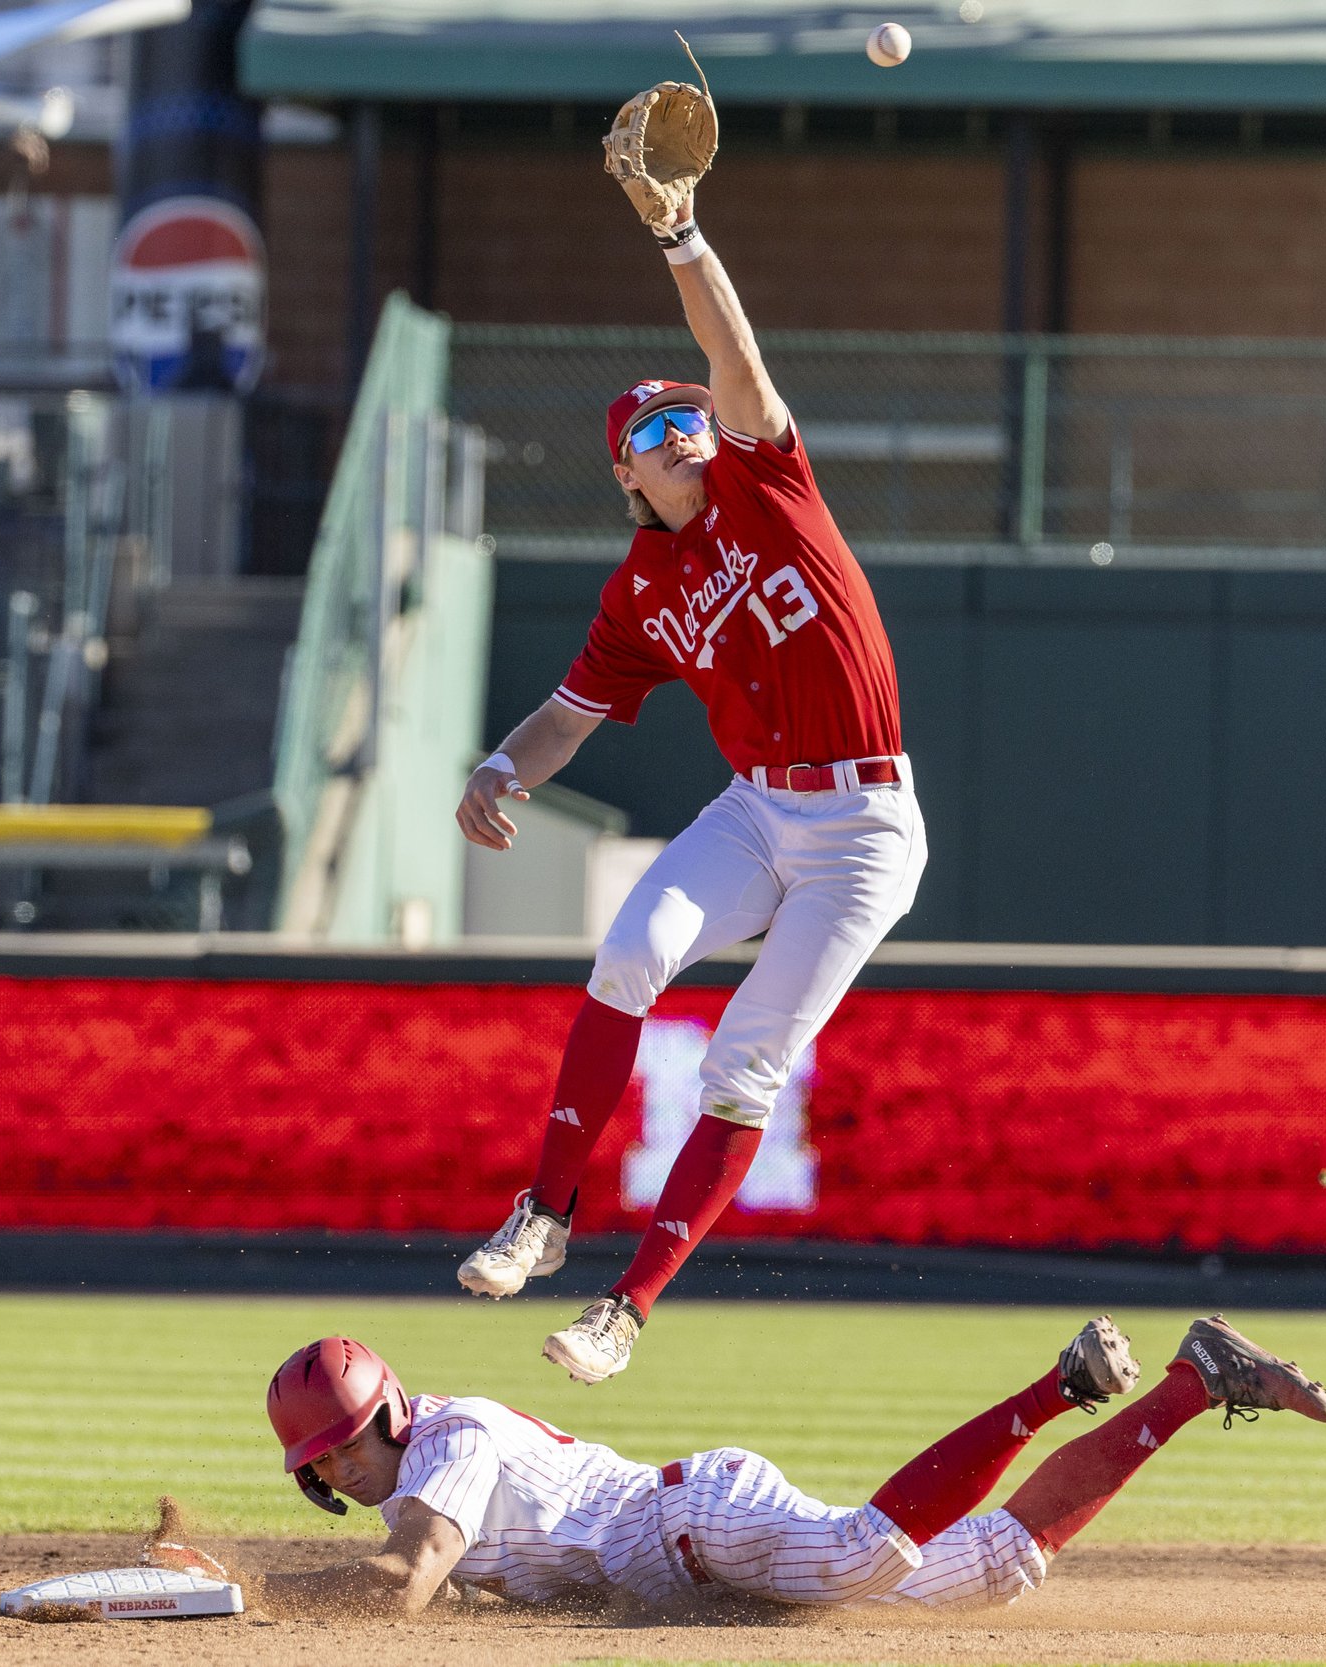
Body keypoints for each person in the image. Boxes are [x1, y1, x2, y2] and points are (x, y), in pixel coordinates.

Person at [453, 91, 922, 1385]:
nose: (686, 434)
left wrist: (680, 236)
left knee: (744, 1057)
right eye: (658, 433)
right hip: (761, 807)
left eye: (689, 419)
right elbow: (569, 715)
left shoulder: (767, 481)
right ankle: (544, 1211)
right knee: (628, 952)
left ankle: (628, 1307)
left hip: (864, 830)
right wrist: (501, 766)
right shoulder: (641, 589)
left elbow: (736, 360)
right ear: (627, 477)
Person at [220, 1315, 1326, 1615]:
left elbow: (403, 1586)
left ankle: (1058, 1385)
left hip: (685, 1524)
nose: (343, 1468)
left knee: (858, 1552)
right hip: (691, 1554)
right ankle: (1196, 1379)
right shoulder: (423, 1468)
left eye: (345, 1441)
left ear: (388, 1415)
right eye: (322, 1458)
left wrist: (250, 1592)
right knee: (998, 1563)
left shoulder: (443, 1446)